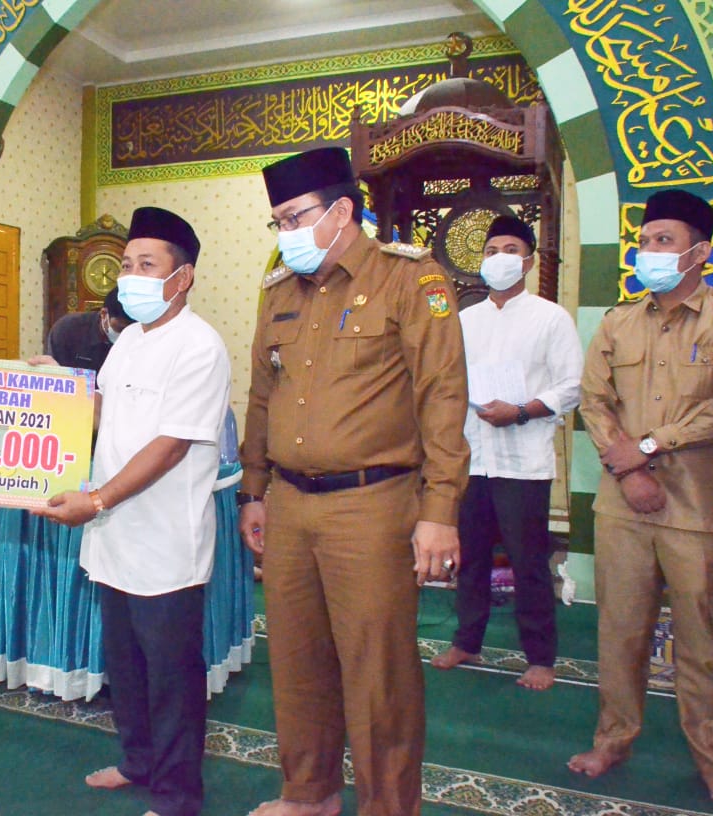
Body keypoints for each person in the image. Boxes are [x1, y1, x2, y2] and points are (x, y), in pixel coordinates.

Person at [238, 146, 469, 816]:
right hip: (289, 505)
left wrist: (440, 510)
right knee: (297, 663)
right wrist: (255, 491)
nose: (285, 233)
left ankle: (387, 807)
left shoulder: (410, 279)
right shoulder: (280, 292)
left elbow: (444, 398)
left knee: (378, 676)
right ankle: (308, 795)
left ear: (342, 210)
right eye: (276, 221)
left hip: (374, 505)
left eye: (294, 217)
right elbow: (260, 400)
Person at [34, 206, 231, 816]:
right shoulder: (126, 345)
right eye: (126, 264)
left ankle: (177, 796)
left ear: (183, 277)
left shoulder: (200, 347)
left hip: (166, 545)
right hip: (114, 538)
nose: (131, 276)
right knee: (126, 664)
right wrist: (51, 389)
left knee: (171, 676)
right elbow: (105, 419)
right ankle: (138, 760)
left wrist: (96, 500)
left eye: (148, 264)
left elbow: (169, 445)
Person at [569, 190, 713, 809]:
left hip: (701, 512)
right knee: (619, 634)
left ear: (701, 251)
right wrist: (628, 467)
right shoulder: (619, 321)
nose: (649, 252)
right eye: (644, 242)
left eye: (663, 241)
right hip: (624, 506)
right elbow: (595, 401)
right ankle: (613, 739)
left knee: (705, 643)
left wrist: (648, 445)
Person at [431, 215, 583, 691]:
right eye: (493, 249)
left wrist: (520, 411)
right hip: (472, 457)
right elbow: (448, 383)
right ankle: (467, 639)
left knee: (528, 562)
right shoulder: (464, 319)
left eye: (511, 249)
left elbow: (571, 387)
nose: (500, 258)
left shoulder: (550, 318)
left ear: (529, 260)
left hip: (523, 462)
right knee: (470, 558)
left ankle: (540, 657)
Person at [45, 286, 135, 372]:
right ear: (104, 314)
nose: (126, 334)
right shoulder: (67, 329)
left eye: (132, 330)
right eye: (121, 329)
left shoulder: (142, 333)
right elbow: (57, 374)